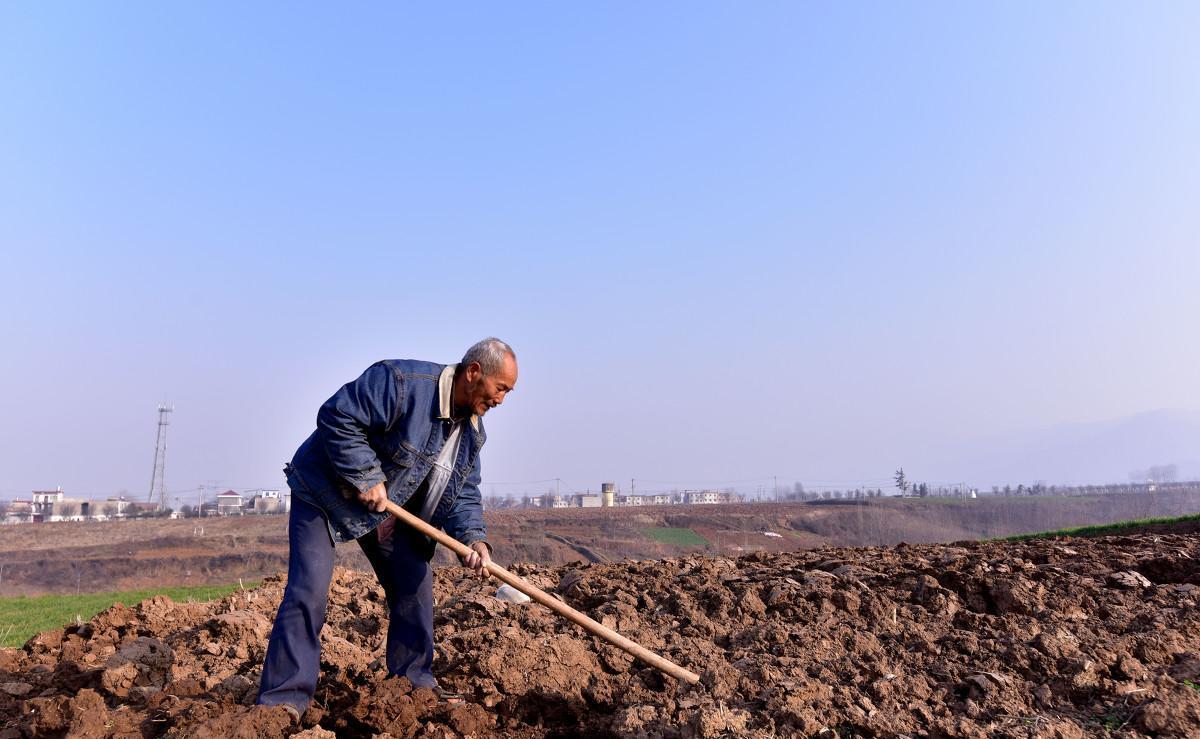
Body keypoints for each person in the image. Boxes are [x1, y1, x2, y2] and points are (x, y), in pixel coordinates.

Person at [257, 338, 518, 717]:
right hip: (324, 492)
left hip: (382, 509)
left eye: (509, 392)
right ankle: (284, 699)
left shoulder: (471, 432)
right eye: (501, 388)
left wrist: (474, 539)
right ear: (474, 373)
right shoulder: (401, 382)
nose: (501, 400)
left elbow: (463, 492)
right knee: (308, 589)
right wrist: (365, 474)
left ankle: (413, 684)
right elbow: (337, 416)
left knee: (415, 581)